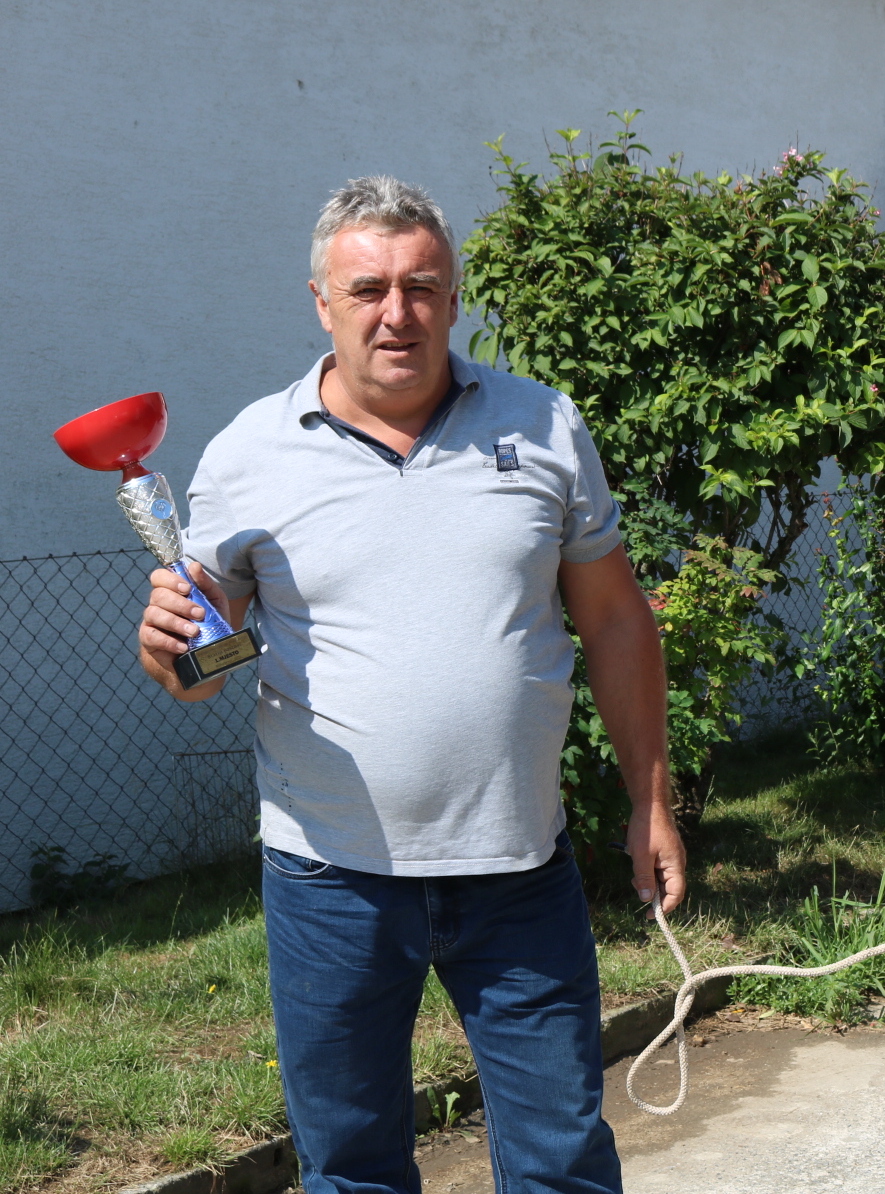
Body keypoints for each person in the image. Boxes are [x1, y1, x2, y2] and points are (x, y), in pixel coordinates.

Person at [137, 175, 684, 1194]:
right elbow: (197, 669)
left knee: (562, 1160)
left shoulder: (544, 427)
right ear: (321, 302)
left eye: (423, 285)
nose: (398, 313)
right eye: (370, 288)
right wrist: (167, 643)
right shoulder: (249, 455)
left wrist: (649, 796)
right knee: (351, 1170)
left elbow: (614, 619)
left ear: (453, 293)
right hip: (329, 878)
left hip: (520, 868)